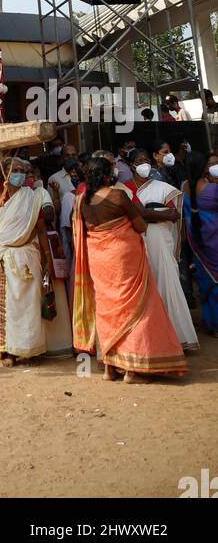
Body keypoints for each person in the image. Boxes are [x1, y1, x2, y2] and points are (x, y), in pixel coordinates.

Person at [72, 153, 186, 382]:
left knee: (106, 309)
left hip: (99, 261)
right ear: (106, 176)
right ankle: (134, 369)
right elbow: (140, 225)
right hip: (124, 259)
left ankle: (109, 368)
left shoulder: (81, 200)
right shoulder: (117, 196)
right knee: (137, 308)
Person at [0, 157, 52, 365]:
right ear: (4, 174)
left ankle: (23, 348)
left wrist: (47, 259)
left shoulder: (33, 197)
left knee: (25, 305)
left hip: (27, 257)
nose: (20, 174)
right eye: (15, 170)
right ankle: (3, 346)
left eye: (23, 170)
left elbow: (41, 229)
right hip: (2, 256)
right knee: (0, 301)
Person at [130, 150, 198, 352]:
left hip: (160, 240)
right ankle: (155, 340)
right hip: (138, 242)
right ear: (131, 165)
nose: (144, 164)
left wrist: (150, 216)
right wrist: (158, 214)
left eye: (147, 160)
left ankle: (179, 336)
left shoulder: (162, 187)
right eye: (139, 161)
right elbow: (134, 214)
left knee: (168, 283)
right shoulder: (124, 188)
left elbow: (174, 214)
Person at [28, 162, 73, 355]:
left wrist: (42, 194)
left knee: (52, 289)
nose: (28, 176)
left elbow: (49, 215)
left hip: (46, 244)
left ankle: (58, 342)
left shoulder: (41, 193)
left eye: (31, 172)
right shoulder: (14, 196)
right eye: (23, 173)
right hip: (28, 247)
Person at [183, 151, 218, 336]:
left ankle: (210, 321)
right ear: (204, 167)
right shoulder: (212, 189)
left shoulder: (183, 186)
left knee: (206, 280)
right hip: (214, 238)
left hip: (197, 240)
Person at [48, 143, 77, 221]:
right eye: (67, 156)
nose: (71, 158)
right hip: (65, 224)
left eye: (73, 155)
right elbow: (53, 209)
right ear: (62, 158)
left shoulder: (84, 176)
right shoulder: (54, 179)